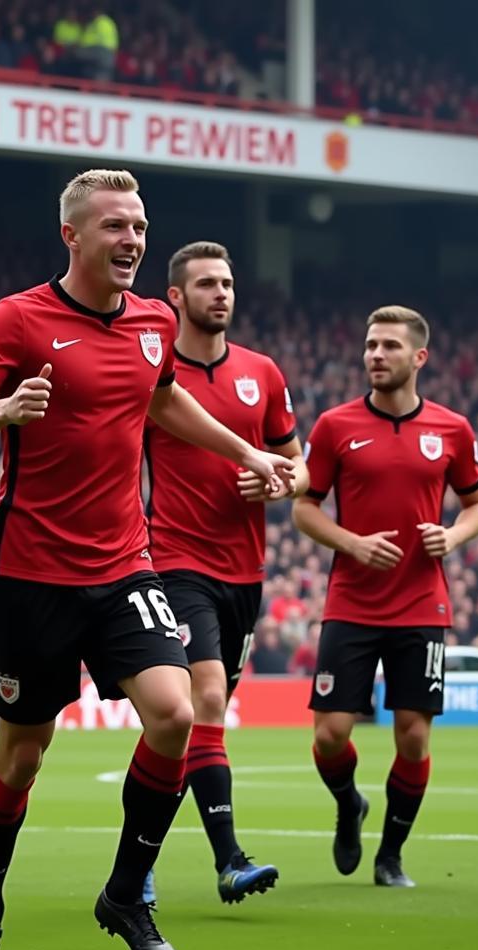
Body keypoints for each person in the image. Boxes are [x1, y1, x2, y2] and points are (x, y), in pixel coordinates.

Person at [0, 168, 295, 950]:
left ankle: (127, 894)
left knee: (176, 715)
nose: (131, 240)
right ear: (73, 236)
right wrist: (3, 411)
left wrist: (246, 449)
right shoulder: (18, 318)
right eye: (114, 227)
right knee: (21, 760)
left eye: (139, 225)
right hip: (29, 575)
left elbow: (162, 400)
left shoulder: (155, 323)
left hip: (126, 563)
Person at [293, 305, 478, 887]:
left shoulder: (452, 429)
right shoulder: (333, 425)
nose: (375, 355)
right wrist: (351, 543)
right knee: (330, 736)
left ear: (418, 357)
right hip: (351, 601)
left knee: (413, 734)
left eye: (389, 347)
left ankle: (391, 856)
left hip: (421, 603)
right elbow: (305, 508)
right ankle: (349, 803)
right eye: (371, 345)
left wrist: (451, 534)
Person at [144, 240, 308, 906]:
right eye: (208, 283)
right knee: (205, 699)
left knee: (192, 724)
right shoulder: (152, 369)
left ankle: (137, 856)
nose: (222, 294)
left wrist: (277, 486)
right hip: (174, 561)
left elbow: (300, 468)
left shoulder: (262, 373)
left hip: (245, 572)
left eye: (229, 283)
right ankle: (230, 859)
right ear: (176, 296)